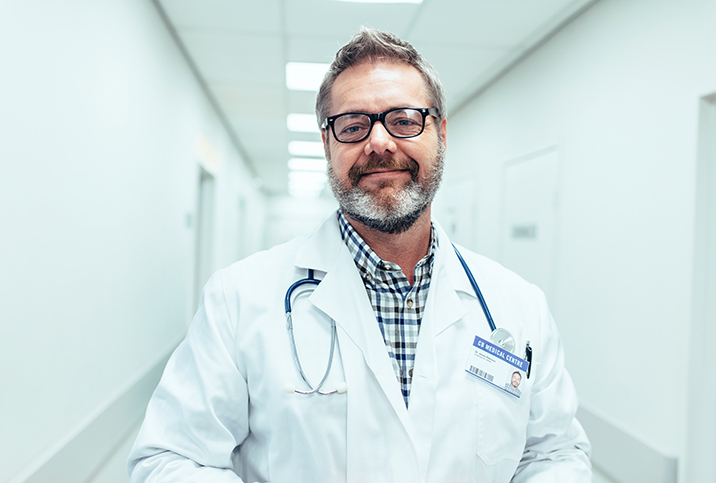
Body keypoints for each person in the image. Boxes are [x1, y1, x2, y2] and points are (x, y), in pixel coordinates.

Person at [128, 27, 591, 482]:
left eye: (405, 120)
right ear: (327, 144)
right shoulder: (238, 300)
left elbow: (554, 453)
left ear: (442, 134)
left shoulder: (518, 306)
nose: (380, 142)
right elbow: (170, 459)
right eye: (353, 126)